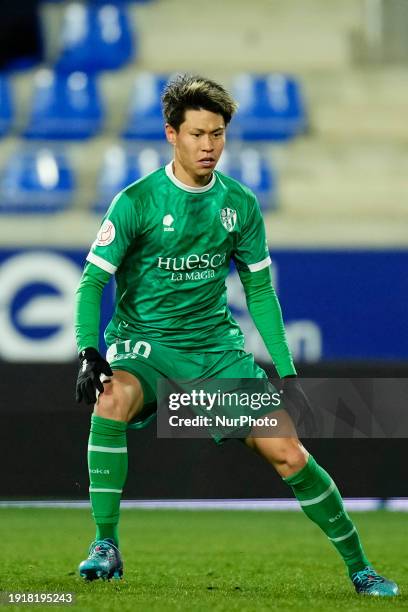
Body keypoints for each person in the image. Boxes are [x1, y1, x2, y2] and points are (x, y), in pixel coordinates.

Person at [75, 74, 398, 597]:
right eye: (198, 134)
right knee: (110, 399)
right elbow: (92, 283)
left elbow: (261, 295)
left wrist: (289, 373)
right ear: (171, 135)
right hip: (147, 348)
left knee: (290, 454)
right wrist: (90, 349)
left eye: (218, 134)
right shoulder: (135, 202)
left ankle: (361, 568)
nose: (209, 146)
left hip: (216, 355)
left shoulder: (240, 205)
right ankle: (105, 544)